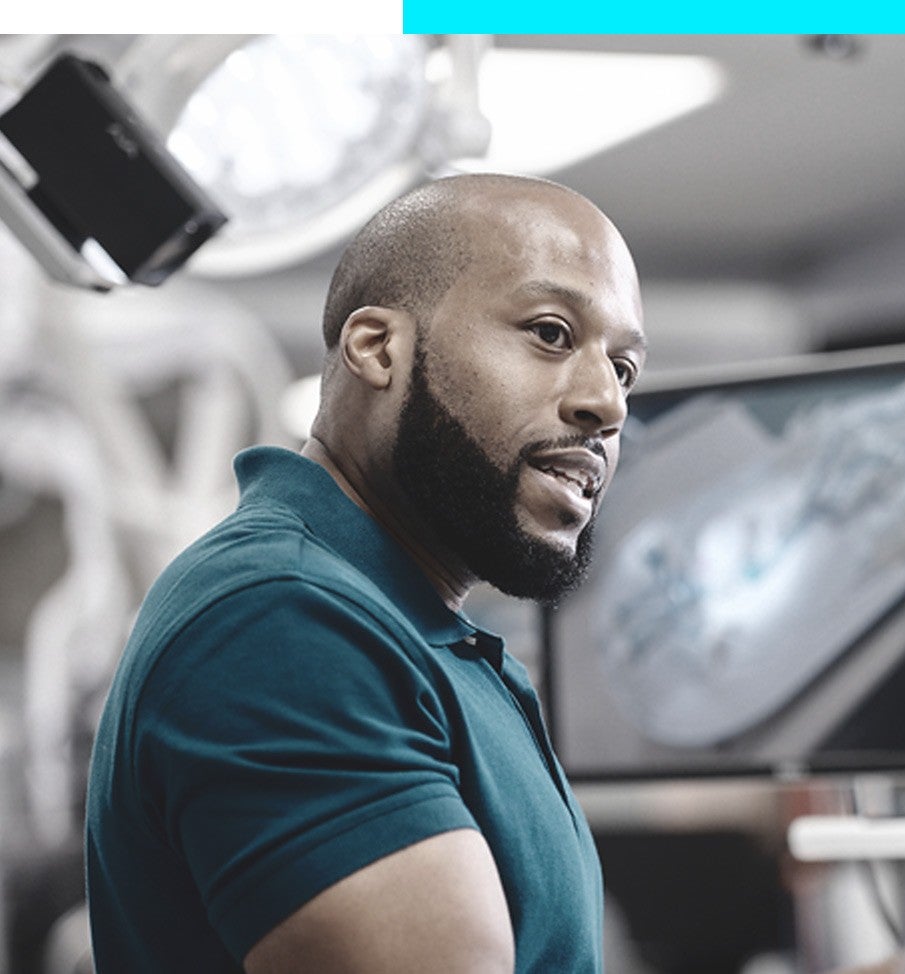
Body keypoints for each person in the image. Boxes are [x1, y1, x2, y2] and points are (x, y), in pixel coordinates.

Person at [85, 172, 647, 973]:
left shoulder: (400, 625)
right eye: (553, 333)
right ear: (379, 348)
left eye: (623, 369)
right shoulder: (284, 622)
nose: (607, 405)